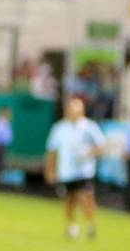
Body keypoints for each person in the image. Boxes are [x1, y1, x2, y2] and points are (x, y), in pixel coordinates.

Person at [45, 97, 105, 240]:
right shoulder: (59, 128)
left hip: (84, 170)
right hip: (66, 171)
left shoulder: (89, 127)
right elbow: (52, 150)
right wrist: (50, 170)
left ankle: (91, 224)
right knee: (69, 200)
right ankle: (71, 226)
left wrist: (89, 153)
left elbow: (101, 146)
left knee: (85, 197)